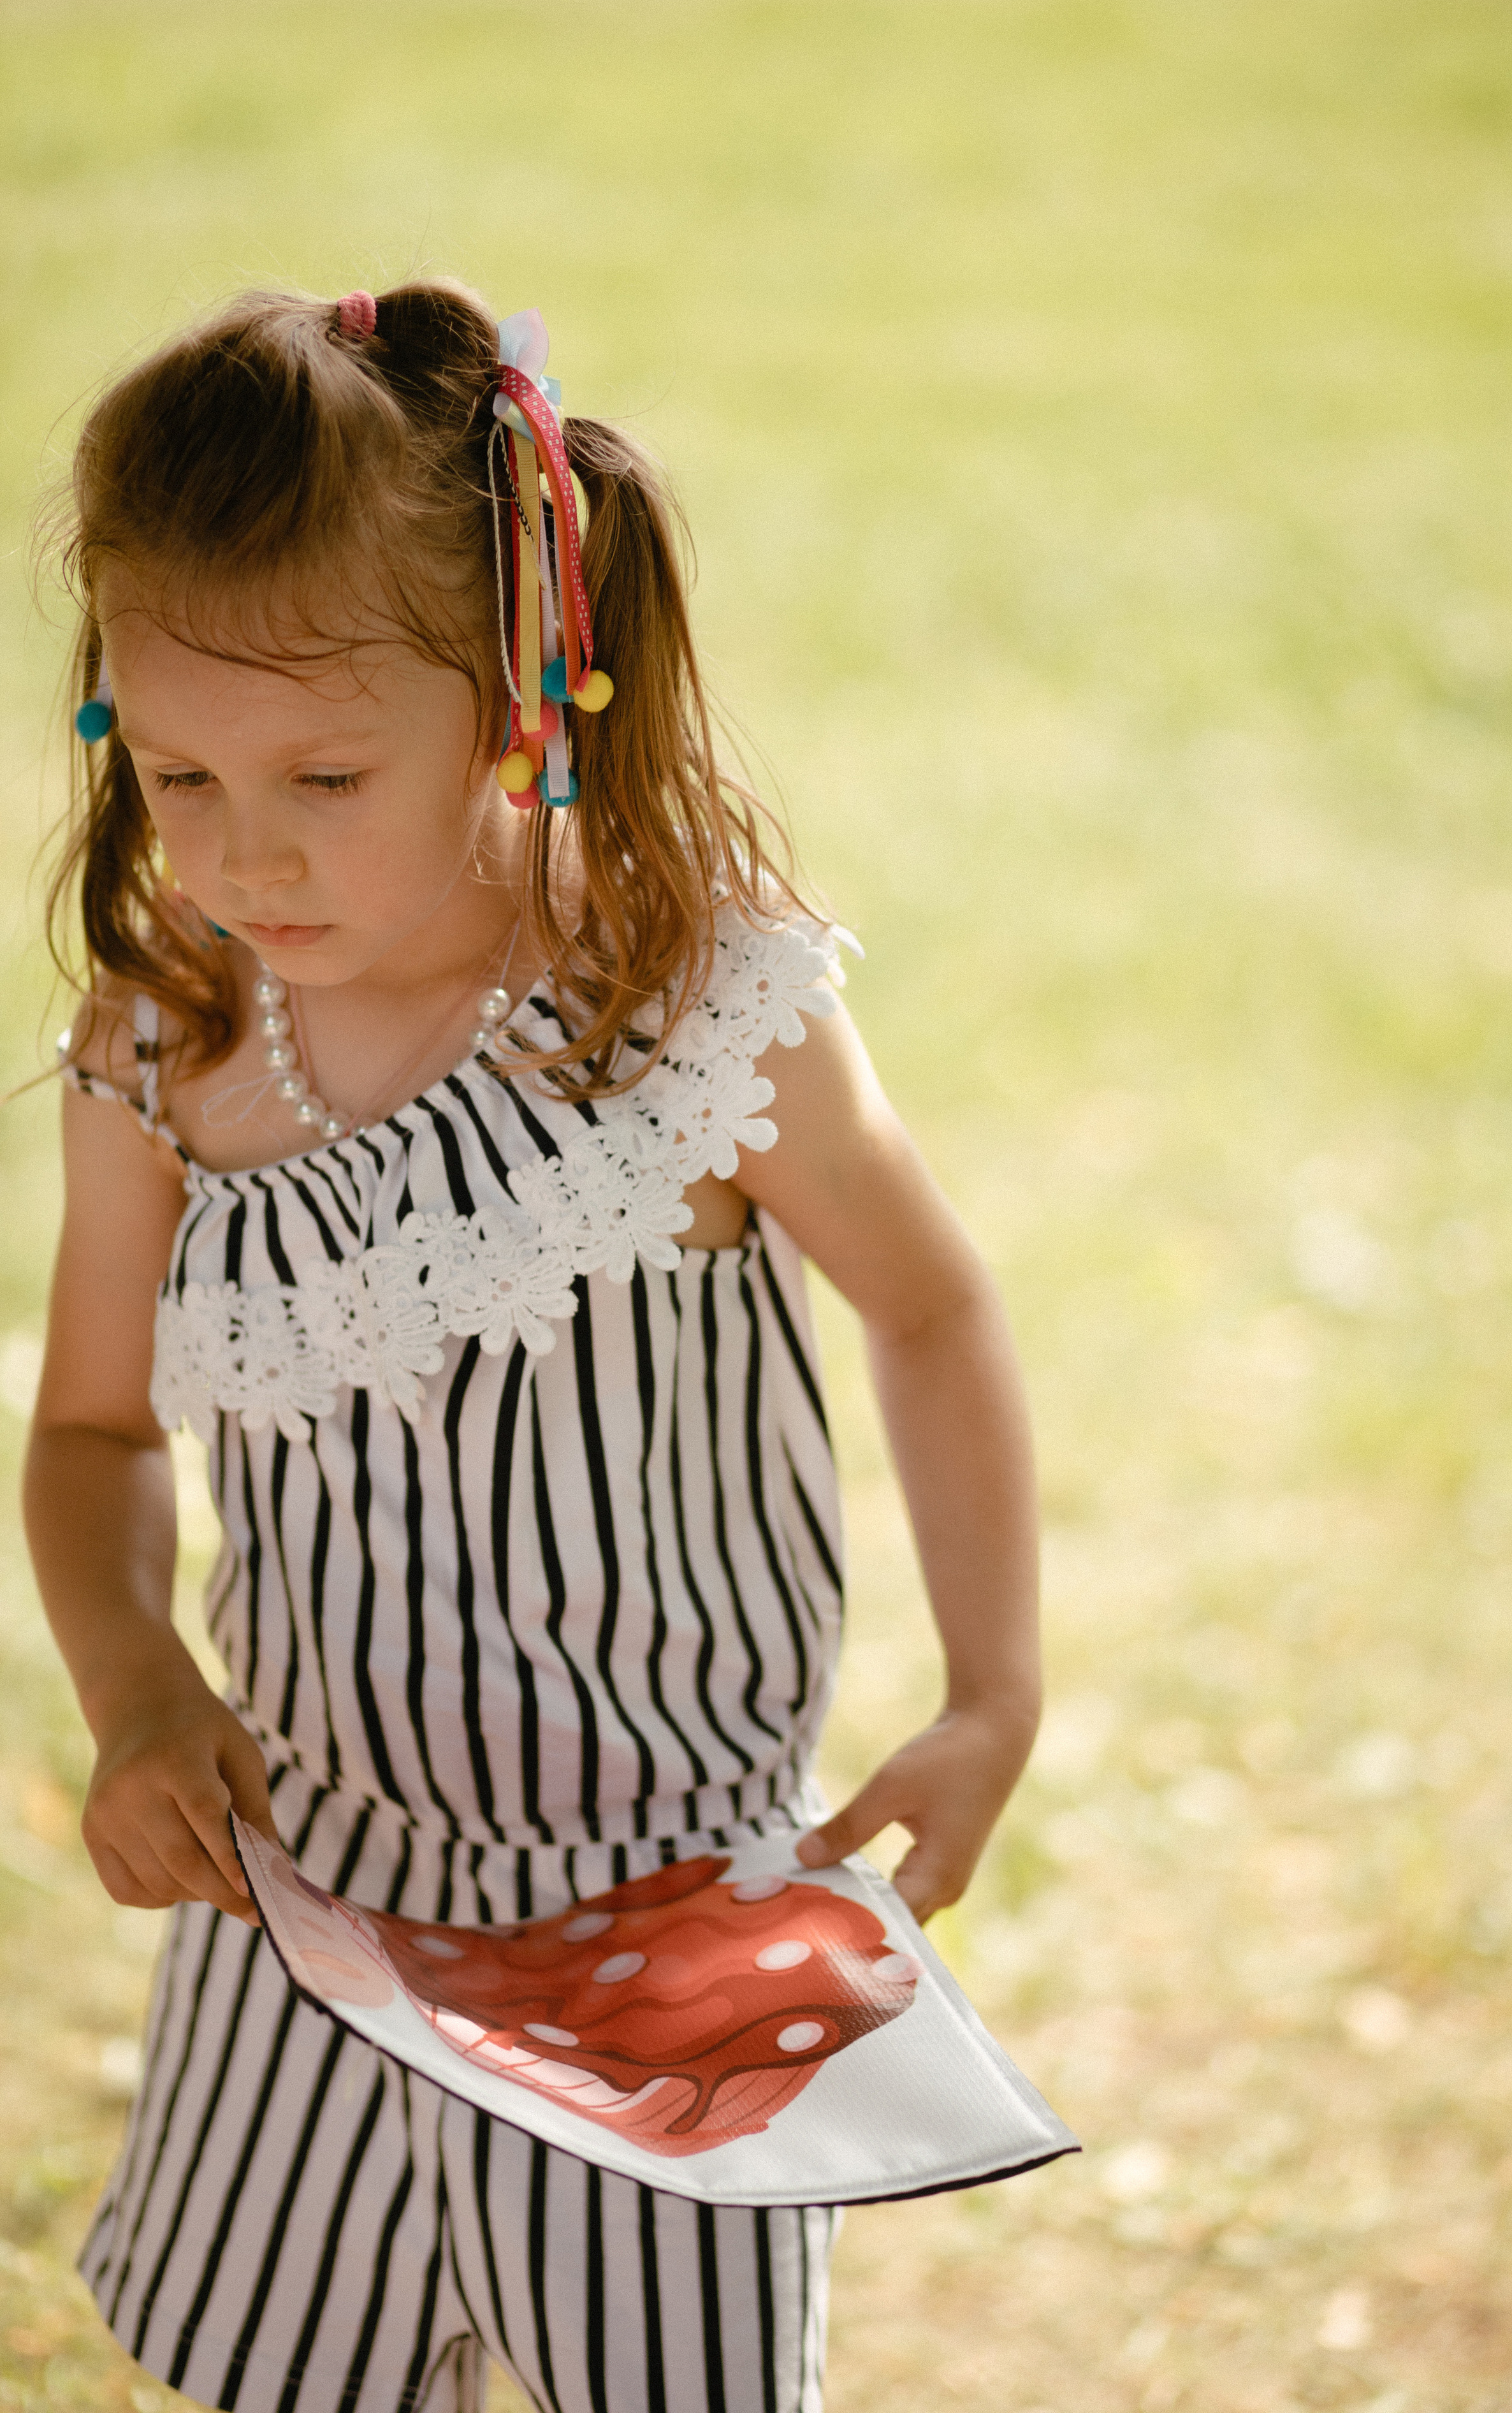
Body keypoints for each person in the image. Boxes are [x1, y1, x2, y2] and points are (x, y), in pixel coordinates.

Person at [23, 278, 1040, 2413]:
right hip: (303, 1901)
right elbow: (98, 1426)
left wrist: (990, 1694)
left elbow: (932, 1303)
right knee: (296, 2366)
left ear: (520, 695)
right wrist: (134, 1690)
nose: (241, 849)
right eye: (171, 764)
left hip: (665, 1910)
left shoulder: (676, 1007)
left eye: (322, 771)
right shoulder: (166, 1044)